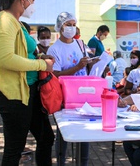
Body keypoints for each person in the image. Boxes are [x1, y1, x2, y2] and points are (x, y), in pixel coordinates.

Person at [0, 0, 55, 165]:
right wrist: (42, 66)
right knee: (14, 150)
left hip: (28, 91)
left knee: (46, 137)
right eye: (32, 0)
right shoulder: (4, 20)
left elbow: (22, 52)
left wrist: (40, 59)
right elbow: (6, 59)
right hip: (13, 95)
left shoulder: (16, 22)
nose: (32, 5)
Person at [47, 12, 98, 166]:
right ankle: (61, 162)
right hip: (65, 96)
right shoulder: (54, 49)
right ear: (60, 27)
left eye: (74, 24)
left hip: (84, 93)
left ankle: (83, 163)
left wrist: (92, 63)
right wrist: (77, 67)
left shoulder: (79, 44)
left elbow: (85, 64)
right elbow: (55, 74)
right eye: (68, 24)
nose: (71, 28)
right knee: (63, 133)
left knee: (85, 132)